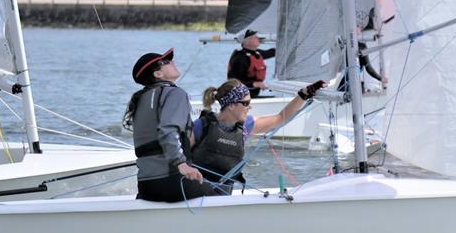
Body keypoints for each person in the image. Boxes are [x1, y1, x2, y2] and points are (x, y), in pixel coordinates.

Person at [190, 78, 327, 193]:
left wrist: (304, 94)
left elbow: (280, 118)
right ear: (231, 105)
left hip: (222, 196)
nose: (250, 107)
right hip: (195, 194)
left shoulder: (246, 125)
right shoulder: (201, 126)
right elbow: (179, 159)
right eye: (246, 103)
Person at [123, 48, 214, 202]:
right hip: (172, 179)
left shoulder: (140, 99)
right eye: (166, 62)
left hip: (146, 185)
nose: (172, 62)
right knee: (220, 195)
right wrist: (181, 164)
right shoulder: (175, 93)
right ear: (157, 74)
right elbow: (168, 131)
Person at [227, 29, 276, 98]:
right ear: (247, 41)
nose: (258, 39)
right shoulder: (240, 58)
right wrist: (254, 84)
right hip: (239, 98)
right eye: (255, 37)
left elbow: (271, 52)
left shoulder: (256, 53)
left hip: (251, 96)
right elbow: (234, 82)